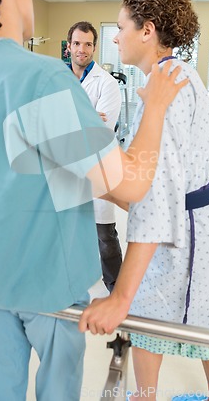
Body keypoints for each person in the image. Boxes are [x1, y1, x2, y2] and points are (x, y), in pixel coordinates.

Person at [0, 0, 189, 401]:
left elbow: (9, 169)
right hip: (45, 283)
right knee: (58, 390)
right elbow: (131, 183)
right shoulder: (39, 76)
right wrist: (157, 107)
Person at [79, 0, 209, 401]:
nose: (114, 37)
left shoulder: (167, 87)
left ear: (147, 30)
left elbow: (151, 195)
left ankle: (150, 396)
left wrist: (120, 296)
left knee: (151, 310)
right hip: (205, 217)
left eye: (120, 27)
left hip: (190, 227)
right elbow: (142, 174)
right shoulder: (170, 75)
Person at [67, 21, 123, 293]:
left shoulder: (108, 84)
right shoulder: (57, 79)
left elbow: (101, 133)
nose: (82, 49)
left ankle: (116, 287)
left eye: (88, 44)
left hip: (98, 168)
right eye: (77, 43)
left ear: (94, 47)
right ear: (69, 47)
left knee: (105, 236)